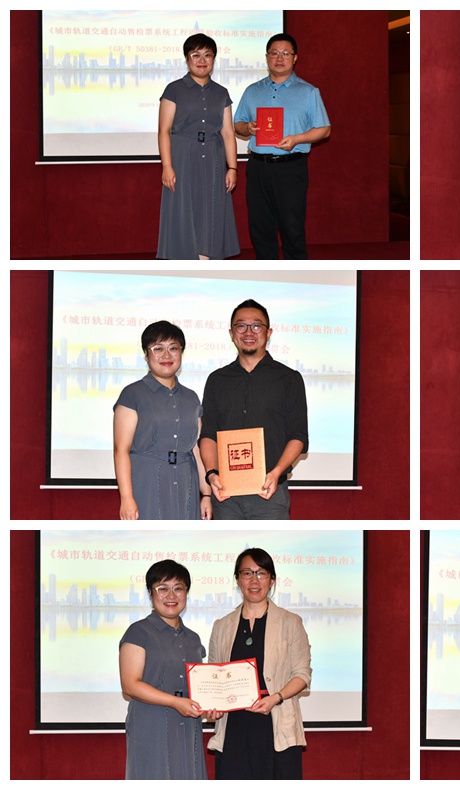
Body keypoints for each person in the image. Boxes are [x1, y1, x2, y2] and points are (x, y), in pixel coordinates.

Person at [208, 548, 312, 780]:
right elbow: (214, 674)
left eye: (261, 573)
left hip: (276, 722)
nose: (254, 580)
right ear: (237, 579)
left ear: (272, 580)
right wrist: (213, 705)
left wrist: (276, 697)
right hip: (234, 726)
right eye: (247, 573)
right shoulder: (221, 626)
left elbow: (302, 674)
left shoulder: (291, 622)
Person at [199, 299, 308, 519]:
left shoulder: (289, 379)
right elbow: (208, 434)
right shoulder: (217, 380)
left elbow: (298, 436)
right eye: (241, 326)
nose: (248, 332)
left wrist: (276, 472)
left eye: (257, 326)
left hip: (271, 495)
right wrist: (211, 474)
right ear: (231, 333)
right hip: (226, 496)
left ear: (269, 333)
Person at [118, 559, 222, 780]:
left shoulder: (193, 639)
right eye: (162, 589)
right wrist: (175, 702)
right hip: (150, 725)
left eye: (178, 588)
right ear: (150, 593)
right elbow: (130, 685)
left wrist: (209, 709)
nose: (171, 596)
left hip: (187, 726)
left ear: (186, 593)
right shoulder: (138, 632)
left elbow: (196, 689)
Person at [234, 33, 331, 259]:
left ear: (295, 58)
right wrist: (247, 128)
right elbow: (237, 124)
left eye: (286, 53)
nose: (280, 58)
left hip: (291, 168)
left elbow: (324, 129)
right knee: (260, 228)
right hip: (258, 167)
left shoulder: (308, 92)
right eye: (274, 53)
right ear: (267, 57)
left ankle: (296, 274)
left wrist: (297, 139)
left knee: (292, 228)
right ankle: (267, 272)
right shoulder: (252, 90)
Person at [113, 320, 212, 520]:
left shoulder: (191, 397)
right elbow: (121, 449)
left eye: (173, 348)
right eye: (158, 348)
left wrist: (207, 494)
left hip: (186, 482)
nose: (166, 355)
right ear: (146, 354)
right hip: (147, 483)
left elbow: (195, 448)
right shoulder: (132, 394)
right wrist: (126, 497)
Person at [157, 33, 240, 260]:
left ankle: (206, 261)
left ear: (214, 59)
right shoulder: (173, 89)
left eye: (207, 55)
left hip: (214, 157)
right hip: (182, 158)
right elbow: (164, 130)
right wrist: (167, 166)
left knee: (212, 209)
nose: (202, 60)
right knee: (183, 210)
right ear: (187, 59)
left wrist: (232, 168)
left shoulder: (221, 93)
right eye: (196, 55)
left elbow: (228, 132)